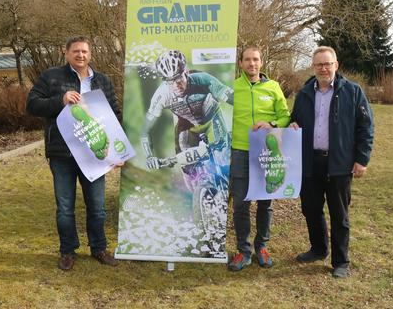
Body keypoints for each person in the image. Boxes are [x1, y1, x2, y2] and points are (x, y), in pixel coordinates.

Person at [26, 36, 121, 271]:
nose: (81, 55)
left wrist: (118, 150)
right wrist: (60, 99)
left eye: (85, 52)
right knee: (65, 207)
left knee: (97, 206)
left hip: (94, 154)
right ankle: (68, 251)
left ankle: (98, 248)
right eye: (76, 51)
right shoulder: (51, 77)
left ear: (90, 54)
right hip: (62, 153)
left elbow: (115, 114)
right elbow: (32, 104)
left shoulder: (103, 81)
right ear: (66, 53)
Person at [290, 46, 374, 278]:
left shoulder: (353, 92)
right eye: (319, 65)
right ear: (313, 67)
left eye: (328, 64)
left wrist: (361, 159)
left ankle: (341, 261)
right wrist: (292, 125)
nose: (324, 68)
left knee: (339, 214)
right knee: (311, 209)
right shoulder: (305, 93)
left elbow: (366, 128)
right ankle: (318, 249)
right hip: (310, 162)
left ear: (336, 65)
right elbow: (294, 119)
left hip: (339, 163)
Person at [140, 49, 233, 256]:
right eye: (170, 80)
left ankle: (225, 191)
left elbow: (230, 96)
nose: (176, 84)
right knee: (186, 165)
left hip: (210, 119)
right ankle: (201, 200)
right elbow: (145, 130)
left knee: (220, 153)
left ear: (186, 72)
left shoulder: (202, 79)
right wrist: (150, 157)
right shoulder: (162, 94)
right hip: (187, 125)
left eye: (179, 78)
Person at [228, 46, 290, 271]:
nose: (251, 64)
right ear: (241, 63)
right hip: (240, 151)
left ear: (261, 62)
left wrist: (271, 124)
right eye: (247, 60)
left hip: (266, 152)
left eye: (255, 60)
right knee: (241, 204)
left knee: (266, 202)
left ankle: (262, 246)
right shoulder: (232, 88)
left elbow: (285, 116)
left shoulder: (273, 87)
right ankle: (244, 251)